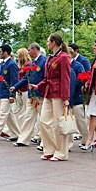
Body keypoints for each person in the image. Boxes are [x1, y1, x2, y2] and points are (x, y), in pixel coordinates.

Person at [30, 33, 71, 161]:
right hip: (48, 92)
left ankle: (61, 152)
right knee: (44, 122)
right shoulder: (49, 58)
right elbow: (47, 78)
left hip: (59, 93)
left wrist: (66, 98)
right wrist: (38, 86)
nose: (47, 43)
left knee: (58, 124)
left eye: (48, 41)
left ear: (53, 43)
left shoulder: (64, 57)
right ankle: (50, 149)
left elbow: (65, 78)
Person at [10, 43, 46, 147]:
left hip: (40, 94)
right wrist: (16, 86)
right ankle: (23, 139)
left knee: (43, 119)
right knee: (28, 117)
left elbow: (46, 78)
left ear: (35, 50)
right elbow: (26, 78)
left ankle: (44, 140)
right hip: (32, 95)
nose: (28, 52)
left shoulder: (43, 61)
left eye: (30, 50)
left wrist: (38, 86)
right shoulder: (33, 63)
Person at [0, 44, 20, 143]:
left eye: (0, 52)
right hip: (1, 93)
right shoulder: (1, 64)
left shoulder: (12, 64)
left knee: (2, 115)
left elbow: (14, 81)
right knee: (9, 116)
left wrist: (12, 95)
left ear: (6, 52)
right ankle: (16, 134)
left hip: (7, 94)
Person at [68, 46, 88, 145]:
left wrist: (71, 83)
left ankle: (87, 139)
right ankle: (68, 143)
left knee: (80, 120)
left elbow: (82, 79)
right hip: (67, 96)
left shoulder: (77, 66)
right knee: (68, 120)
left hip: (76, 96)